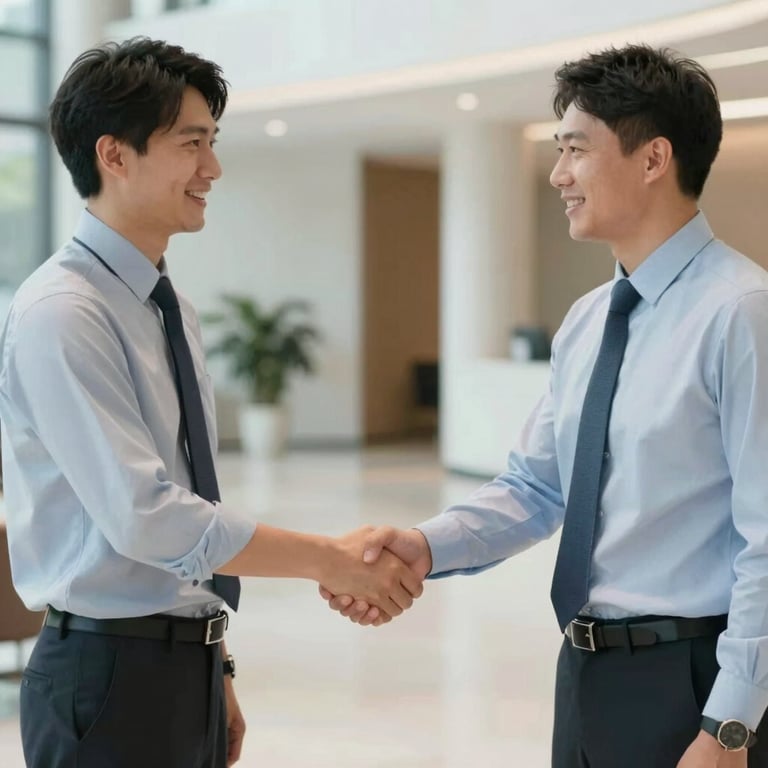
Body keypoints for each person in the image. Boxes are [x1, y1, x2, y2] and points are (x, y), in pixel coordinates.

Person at [322, 44, 768, 768]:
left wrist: (730, 725)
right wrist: (425, 545)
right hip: (587, 672)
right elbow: (536, 487)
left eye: (575, 150)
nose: (558, 175)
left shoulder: (741, 313)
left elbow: (767, 539)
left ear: (653, 160)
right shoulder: (591, 319)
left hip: (696, 683)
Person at [0, 37, 421, 768]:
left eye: (212, 143)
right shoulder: (63, 313)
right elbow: (146, 516)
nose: (212, 168)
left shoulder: (169, 308)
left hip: (176, 664)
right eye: (192, 143)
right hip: (106, 680)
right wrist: (329, 559)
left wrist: (212, 660)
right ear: (115, 155)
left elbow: (190, 494)